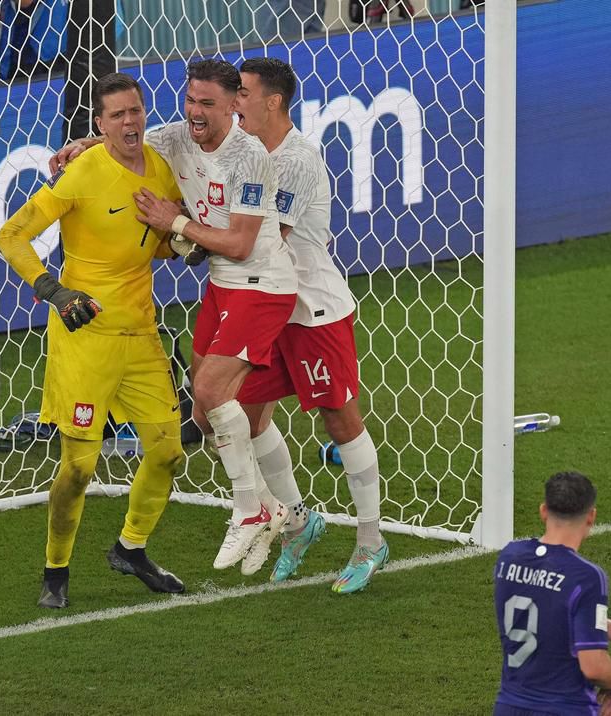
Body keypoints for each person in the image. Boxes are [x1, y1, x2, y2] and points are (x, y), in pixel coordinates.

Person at [0, 72, 186, 608]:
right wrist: (54, 291)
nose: (131, 121)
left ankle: (132, 547)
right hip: (85, 337)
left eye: (136, 110)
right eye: (118, 115)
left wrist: (182, 241)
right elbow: (12, 234)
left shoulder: (162, 172)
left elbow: (163, 244)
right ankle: (56, 570)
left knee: (169, 451)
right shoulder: (81, 173)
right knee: (79, 467)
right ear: (99, 125)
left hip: (141, 333)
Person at [127, 59, 298, 571]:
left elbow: (243, 244)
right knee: (206, 413)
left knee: (207, 390)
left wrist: (173, 220)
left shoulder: (248, 157)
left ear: (233, 106)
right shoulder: (179, 135)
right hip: (222, 287)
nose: (195, 112)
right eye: (191, 100)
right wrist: (81, 148)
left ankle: (248, 507)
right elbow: (129, 145)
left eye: (208, 104)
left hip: (262, 283)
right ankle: (276, 509)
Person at [229, 57, 387, 593]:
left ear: (272, 101)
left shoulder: (297, 160)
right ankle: (298, 520)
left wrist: (187, 230)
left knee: (341, 424)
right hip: (268, 311)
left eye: (243, 93)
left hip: (312, 312)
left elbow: (265, 237)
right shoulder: (246, 152)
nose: (235, 103)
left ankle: (371, 541)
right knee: (241, 414)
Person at [494, 471, 611, 716]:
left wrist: (601, 625)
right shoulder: (586, 576)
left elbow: (539, 598)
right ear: (591, 516)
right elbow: (594, 667)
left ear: (543, 511)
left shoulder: (509, 557)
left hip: (509, 706)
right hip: (565, 708)